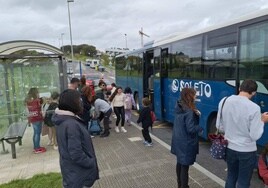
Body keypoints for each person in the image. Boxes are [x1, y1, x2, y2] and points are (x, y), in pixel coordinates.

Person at [216, 79, 268, 188]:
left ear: (239, 89)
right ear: (254, 93)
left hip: (229, 147)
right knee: (243, 182)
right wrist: (262, 121)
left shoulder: (224, 101)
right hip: (247, 151)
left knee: (231, 176)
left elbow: (219, 126)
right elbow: (255, 135)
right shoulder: (254, 108)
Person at [52, 89, 99, 188]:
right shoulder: (71, 124)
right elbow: (76, 154)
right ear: (72, 103)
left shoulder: (64, 120)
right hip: (79, 176)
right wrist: (91, 163)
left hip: (72, 173)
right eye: (79, 101)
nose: (81, 103)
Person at [171, 88, 202, 188]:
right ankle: (184, 186)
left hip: (178, 140)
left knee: (179, 163)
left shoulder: (179, 106)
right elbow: (191, 129)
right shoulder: (189, 111)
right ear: (189, 96)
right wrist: (200, 127)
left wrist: (194, 112)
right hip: (186, 143)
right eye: (194, 94)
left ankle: (180, 185)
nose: (196, 96)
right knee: (185, 167)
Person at [25, 88, 46, 154]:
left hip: (32, 118)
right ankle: (37, 148)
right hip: (37, 118)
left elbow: (28, 111)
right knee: (37, 133)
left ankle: (36, 147)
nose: (38, 93)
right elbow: (39, 109)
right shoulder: (37, 101)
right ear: (35, 93)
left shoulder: (28, 101)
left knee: (35, 133)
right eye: (37, 92)